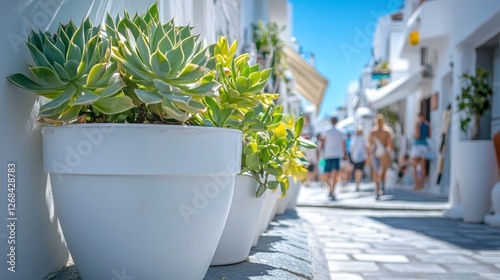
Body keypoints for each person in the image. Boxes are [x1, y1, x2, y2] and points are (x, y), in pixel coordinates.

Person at [318, 117, 347, 200]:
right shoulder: (341, 131)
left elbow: (323, 142)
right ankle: (332, 189)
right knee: (335, 173)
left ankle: (330, 188)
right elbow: (343, 144)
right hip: (337, 154)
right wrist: (345, 154)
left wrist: (321, 151)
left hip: (328, 154)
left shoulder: (326, 130)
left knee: (327, 173)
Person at [368, 114, 393, 200]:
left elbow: (370, 145)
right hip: (384, 153)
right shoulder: (387, 131)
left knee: (376, 171)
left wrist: (370, 155)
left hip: (375, 153)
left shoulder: (373, 131)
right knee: (383, 171)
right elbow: (389, 145)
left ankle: (377, 189)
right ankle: (383, 186)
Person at [410, 113, 431, 190]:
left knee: (415, 166)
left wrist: (414, 135)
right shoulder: (428, 124)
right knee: (423, 166)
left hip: (417, 145)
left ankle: (416, 185)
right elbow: (429, 135)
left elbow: (417, 135)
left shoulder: (418, 124)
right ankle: (422, 184)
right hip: (425, 145)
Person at [350, 126, 368, 191]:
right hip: (362, 156)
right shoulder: (363, 139)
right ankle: (358, 182)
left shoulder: (354, 139)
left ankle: (357, 183)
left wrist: (352, 156)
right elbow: (366, 148)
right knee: (360, 170)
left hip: (355, 157)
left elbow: (352, 148)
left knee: (356, 170)